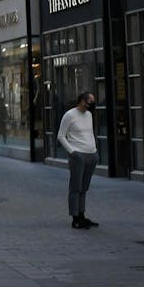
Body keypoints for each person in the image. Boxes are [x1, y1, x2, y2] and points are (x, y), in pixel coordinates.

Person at [58, 91, 100, 229]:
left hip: (91, 154)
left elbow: (90, 133)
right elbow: (61, 136)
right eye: (90, 101)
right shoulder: (70, 115)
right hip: (78, 155)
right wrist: (73, 152)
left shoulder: (89, 115)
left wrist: (94, 151)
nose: (92, 104)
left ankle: (82, 215)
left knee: (84, 188)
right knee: (76, 187)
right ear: (82, 101)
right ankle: (75, 218)